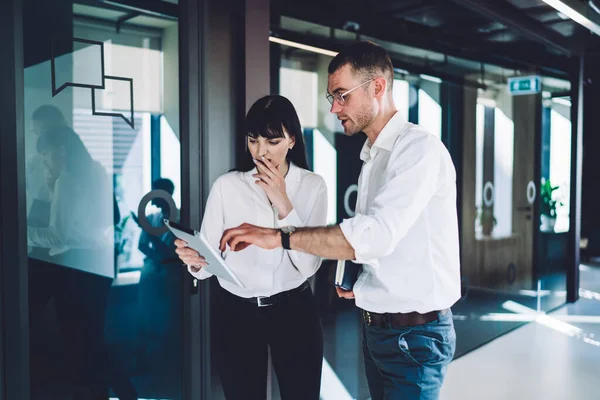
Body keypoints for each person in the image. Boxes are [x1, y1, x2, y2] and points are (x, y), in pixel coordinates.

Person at [219, 41, 461, 400]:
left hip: (414, 337)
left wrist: (279, 237)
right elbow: (389, 242)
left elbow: (375, 236)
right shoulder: (373, 158)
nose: (333, 108)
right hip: (378, 330)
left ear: (377, 86)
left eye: (342, 95)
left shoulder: (418, 150)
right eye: (331, 97)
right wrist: (362, 282)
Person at [175, 95, 328, 400]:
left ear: (291, 141)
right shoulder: (227, 186)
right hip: (236, 311)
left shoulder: (313, 186)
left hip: (294, 310)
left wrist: (283, 201)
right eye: (253, 140)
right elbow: (209, 261)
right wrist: (195, 260)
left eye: (272, 141)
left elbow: (309, 266)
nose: (261, 152)